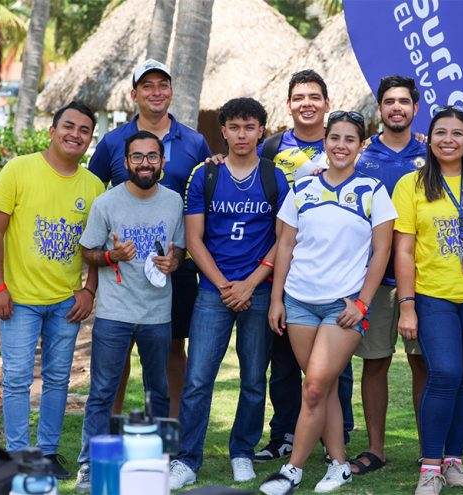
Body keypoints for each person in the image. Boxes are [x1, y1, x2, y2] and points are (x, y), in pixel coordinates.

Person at [259, 111, 396, 495]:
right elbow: (286, 245)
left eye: (350, 139)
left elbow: (382, 252)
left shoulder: (373, 190)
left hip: (343, 306)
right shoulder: (302, 189)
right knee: (324, 387)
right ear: (325, 142)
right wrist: (276, 299)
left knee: (315, 386)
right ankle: (339, 465)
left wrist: (363, 303)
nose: (341, 146)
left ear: (360, 145)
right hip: (299, 302)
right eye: (335, 138)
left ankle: (292, 470)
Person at [169, 98, 290, 489]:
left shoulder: (274, 177)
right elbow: (194, 239)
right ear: (222, 131)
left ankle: (242, 452)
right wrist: (224, 285)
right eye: (234, 127)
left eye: (249, 127)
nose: (242, 134)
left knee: (254, 379)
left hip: (259, 290)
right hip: (213, 292)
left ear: (261, 131)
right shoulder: (205, 175)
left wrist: (251, 283)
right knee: (198, 379)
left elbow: (284, 240)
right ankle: (187, 459)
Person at [0, 101, 105, 479]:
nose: (75, 134)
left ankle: (48, 453)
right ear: (52, 130)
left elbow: (95, 246)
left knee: (57, 379)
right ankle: (19, 457)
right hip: (19, 300)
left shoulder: (93, 186)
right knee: (17, 380)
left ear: (90, 139)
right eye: (68, 126)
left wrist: (89, 290)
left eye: (84, 130)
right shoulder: (18, 169)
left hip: (66, 302)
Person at [88, 59, 211, 418]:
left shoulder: (194, 141)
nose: (156, 92)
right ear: (134, 94)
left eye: (163, 85)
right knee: (119, 350)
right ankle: (111, 422)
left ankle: (170, 427)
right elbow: (93, 193)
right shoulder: (113, 141)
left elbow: (208, 190)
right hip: (123, 272)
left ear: (171, 91)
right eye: (147, 86)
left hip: (175, 263)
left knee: (173, 346)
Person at [392, 106, 463, 494]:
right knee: (444, 373)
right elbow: (404, 250)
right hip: (432, 295)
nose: (448, 140)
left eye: (457, 133)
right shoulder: (411, 185)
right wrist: (407, 305)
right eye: (441, 132)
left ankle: (454, 459)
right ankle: (430, 466)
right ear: (430, 139)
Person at [74, 130, 186, 493]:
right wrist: (112, 255)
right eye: (137, 157)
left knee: (159, 392)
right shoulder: (106, 202)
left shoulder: (173, 201)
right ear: (126, 163)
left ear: (162, 162)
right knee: (102, 392)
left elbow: (179, 250)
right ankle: (89, 464)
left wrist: (173, 262)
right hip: (114, 313)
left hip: (157, 314)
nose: (145, 163)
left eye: (152, 156)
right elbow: (87, 251)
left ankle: (157, 461)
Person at [254, 69, 355, 464]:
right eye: (299, 97)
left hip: (334, 276)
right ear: (288, 104)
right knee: (283, 362)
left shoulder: (342, 144)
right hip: (284, 266)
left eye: (314, 97)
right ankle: (283, 433)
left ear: (327, 103)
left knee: (334, 367)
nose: (307, 103)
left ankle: (337, 439)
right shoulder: (271, 146)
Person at [350, 75, 428, 475]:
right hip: (375, 280)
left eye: (403, 101)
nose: (397, 107)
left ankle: (429, 450)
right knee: (375, 362)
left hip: (423, 279)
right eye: (389, 102)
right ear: (379, 108)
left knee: (423, 365)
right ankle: (375, 449)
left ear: (415, 108)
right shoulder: (361, 156)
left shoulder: (432, 153)